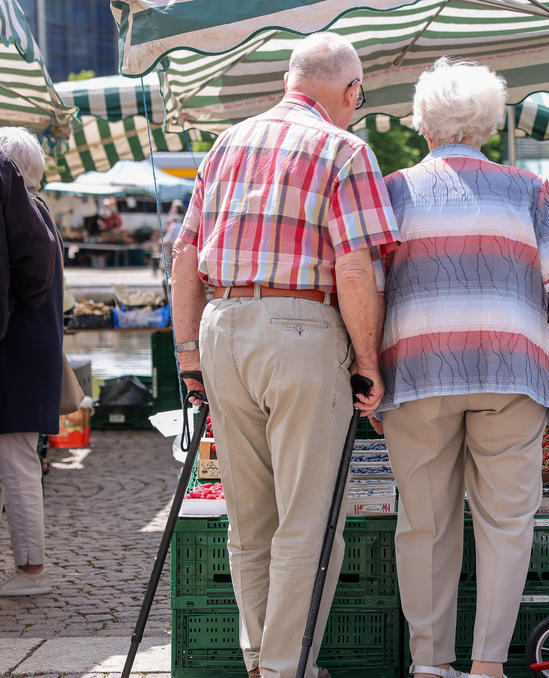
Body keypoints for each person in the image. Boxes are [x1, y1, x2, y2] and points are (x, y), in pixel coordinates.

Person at [374, 58, 549, 678]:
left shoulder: (392, 191)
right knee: (507, 525)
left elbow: (366, 291)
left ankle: (429, 666)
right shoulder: (527, 191)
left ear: (424, 125)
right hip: (511, 374)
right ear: (486, 125)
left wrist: (367, 374)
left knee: (424, 524)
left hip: (419, 373)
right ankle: (485, 668)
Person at [169, 32, 399, 678]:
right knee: (310, 519)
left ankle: (263, 660)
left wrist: (188, 354)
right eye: (360, 94)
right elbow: (354, 268)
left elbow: (185, 257)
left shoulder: (226, 144)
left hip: (222, 325)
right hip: (300, 326)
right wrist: (369, 361)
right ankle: (283, 668)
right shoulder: (344, 149)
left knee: (249, 518)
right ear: (350, 91)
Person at [0, 127, 64, 596]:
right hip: (27, 354)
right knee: (18, 458)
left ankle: (31, 570)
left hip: (18, 357)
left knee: (17, 459)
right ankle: (29, 567)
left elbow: (31, 282)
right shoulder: (36, 212)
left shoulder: (28, 215)